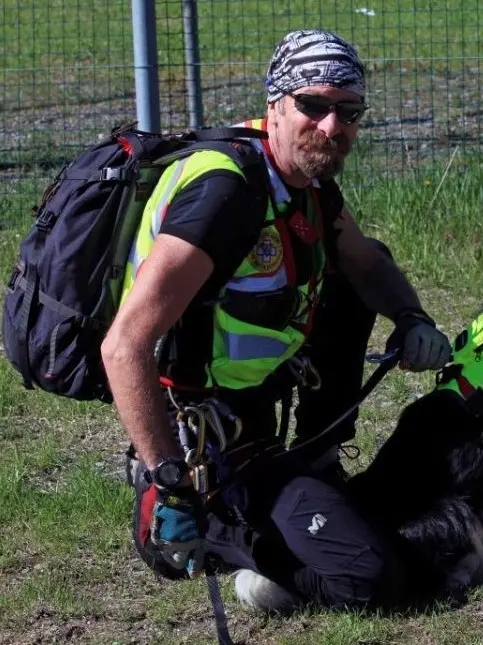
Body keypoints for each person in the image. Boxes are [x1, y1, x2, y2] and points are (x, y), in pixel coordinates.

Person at [101, 28, 452, 614]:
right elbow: (124, 346)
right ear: (275, 106)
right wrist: (170, 481)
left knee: (350, 273)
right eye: (313, 106)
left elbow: (368, 265)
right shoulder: (225, 194)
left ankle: (316, 458)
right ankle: (200, 525)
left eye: (349, 111)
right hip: (205, 435)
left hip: (258, 405)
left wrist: (413, 317)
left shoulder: (303, 185)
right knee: (369, 580)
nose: (332, 126)